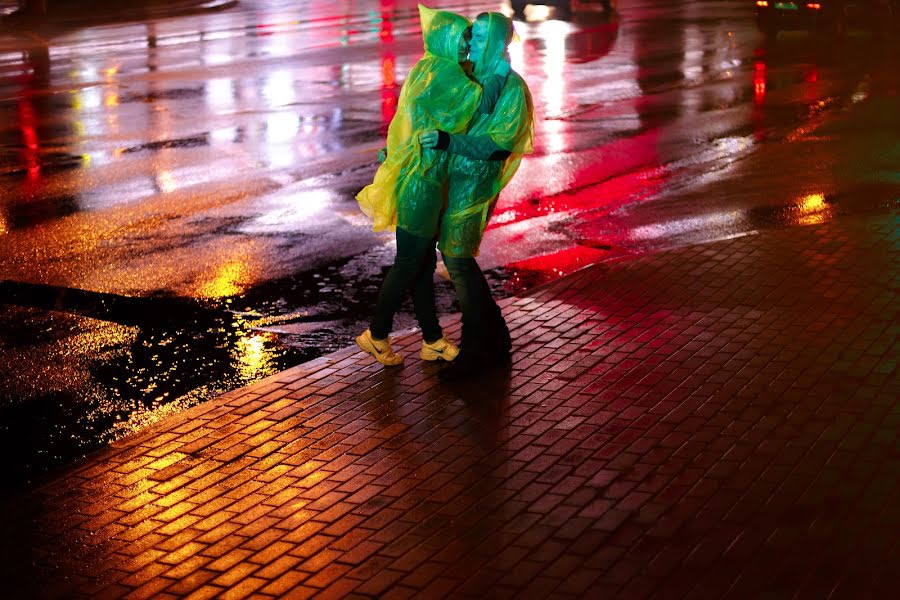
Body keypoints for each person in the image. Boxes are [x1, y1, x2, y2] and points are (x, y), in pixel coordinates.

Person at [355, 5, 511, 367]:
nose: (466, 44)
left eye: (469, 37)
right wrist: (500, 73)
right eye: (461, 38)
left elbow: (407, 120)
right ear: (443, 38)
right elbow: (479, 108)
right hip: (421, 182)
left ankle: (432, 339)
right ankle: (376, 334)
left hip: (427, 177)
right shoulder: (442, 73)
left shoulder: (431, 68)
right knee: (409, 262)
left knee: (421, 264)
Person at [419, 12, 535, 380]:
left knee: (456, 256)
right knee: (455, 258)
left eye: (485, 38)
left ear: (502, 44)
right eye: (475, 35)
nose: (476, 43)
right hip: (453, 178)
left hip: (476, 184)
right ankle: (494, 334)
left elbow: (501, 144)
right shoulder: (471, 76)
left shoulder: (512, 87)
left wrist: (452, 141)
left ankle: (474, 350)